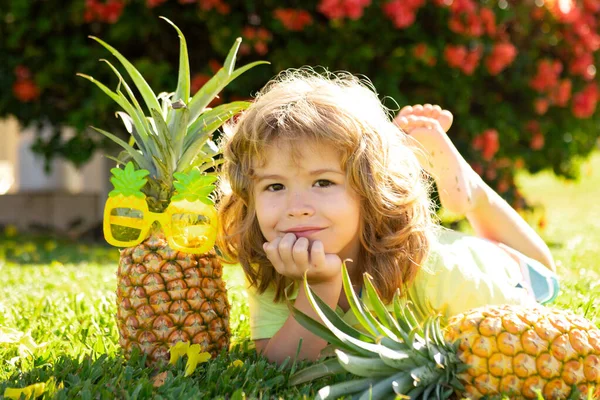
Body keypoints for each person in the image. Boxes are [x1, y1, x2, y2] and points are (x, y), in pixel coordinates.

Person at [216, 68, 560, 365]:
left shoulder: (440, 272)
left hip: (503, 269)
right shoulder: (275, 258)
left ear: (369, 190)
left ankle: (473, 192)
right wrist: (319, 287)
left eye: (323, 182)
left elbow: (523, 340)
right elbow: (276, 363)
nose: (296, 206)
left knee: (544, 270)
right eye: (274, 187)